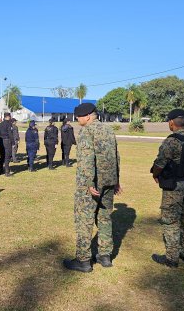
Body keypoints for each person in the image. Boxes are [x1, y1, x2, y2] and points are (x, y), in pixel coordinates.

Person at [64, 103, 121, 273]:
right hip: (109, 182)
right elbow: (115, 156)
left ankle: (83, 260)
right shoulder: (108, 130)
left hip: (92, 185)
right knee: (104, 219)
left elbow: (86, 160)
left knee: (84, 221)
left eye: (79, 117)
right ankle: (105, 256)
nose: (77, 119)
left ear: (88, 116)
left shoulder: (86, 131)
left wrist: (89, 183)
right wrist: (116, 180)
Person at [150, 109, 184, 268]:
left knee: (171, 222)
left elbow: (160, 164)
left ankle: (171, 258)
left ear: (172, 122)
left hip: (174, 186)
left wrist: (156, 174)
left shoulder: (171, 141)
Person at [0, 112, 14, 176]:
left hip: (1, 141)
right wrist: (13, 142)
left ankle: (1, 170)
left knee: (2, 156)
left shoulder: (0, 124)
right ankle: (7, 172)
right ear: (8, 116)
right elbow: (10, 133)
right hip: (7, 141)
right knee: (7, 156)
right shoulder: (9, 124)